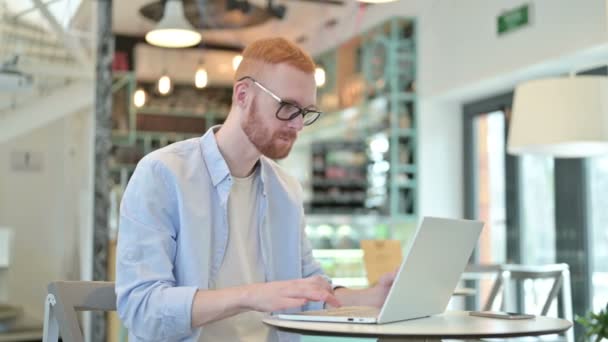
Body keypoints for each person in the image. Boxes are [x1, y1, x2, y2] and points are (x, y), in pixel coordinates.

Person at [116, 37, 396, 342]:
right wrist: (252, 296)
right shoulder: (163, 174)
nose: (298, 125)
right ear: (243, 94)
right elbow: (142, 310)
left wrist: (372, 297)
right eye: (288, 107)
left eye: (305, 112)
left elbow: (308, 289)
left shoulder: (285, 190)